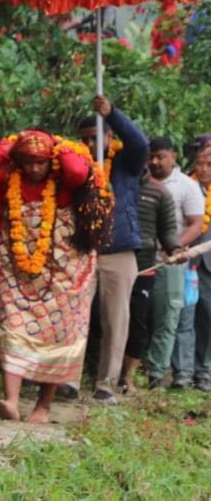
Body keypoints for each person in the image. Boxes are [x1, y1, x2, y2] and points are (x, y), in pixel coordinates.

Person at [0, 131, 97, 424]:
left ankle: (43, 407)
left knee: (59, 334)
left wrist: (57, 144)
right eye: (27, 161)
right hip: (16, 268)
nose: (34, 169)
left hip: (63, 272)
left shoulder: (63, 183)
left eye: (40, 162)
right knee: (11, 323)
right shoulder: (9, 180)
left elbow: (77, 169)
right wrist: (11, 142)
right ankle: (10, 400)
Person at [78, 95, 148, 404]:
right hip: (82, 252)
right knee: (75, 317)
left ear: (109, 136)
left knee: (115, 321)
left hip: (118, 252)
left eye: (97, 137)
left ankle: (105, 384)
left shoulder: (125, 162)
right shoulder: (77, 164)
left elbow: (141, 144)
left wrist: (112, 114)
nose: (92, 144)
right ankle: (66, 380)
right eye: (85, 140)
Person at [143, 137, 205, 388]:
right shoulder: (141, 180)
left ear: (173, 157)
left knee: (167, 318)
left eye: (161, 156)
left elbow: (196, 225)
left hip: (170, 262)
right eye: (151, 157)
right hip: (141, 260)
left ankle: (156, 373)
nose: (155, 162)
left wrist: (174, 250)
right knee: (138, 316)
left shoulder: (186, 186)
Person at [121, 166, 180, 393]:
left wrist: (174, 248)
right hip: (110, 265)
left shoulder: (159, 192)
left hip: (144, 266)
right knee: (102, 319)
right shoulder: (112, 183)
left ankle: (127, 378)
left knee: (137, 323)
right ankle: (101, 374)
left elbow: (168, 230)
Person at [183, 140, 211, 391]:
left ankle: (204, 372)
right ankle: (182, 372)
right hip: (185, 263)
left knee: (208, 319)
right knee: (184, 319)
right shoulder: (185, 186)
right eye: (199, 164)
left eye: (209, 165)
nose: (204, 169)